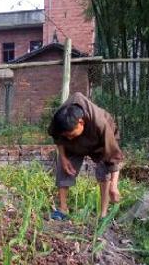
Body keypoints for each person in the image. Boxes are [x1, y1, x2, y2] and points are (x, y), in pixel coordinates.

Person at [47, 92, 124, 220]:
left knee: (104, 173)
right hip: (75, 146)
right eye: (66, 135)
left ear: (81, 122)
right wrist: (63, 158)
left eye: (71, 134)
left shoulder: (101, 124)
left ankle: (103, 214)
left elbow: (114, 157)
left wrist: (114, 186)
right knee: (64, 168)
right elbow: (57, 137)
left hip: (100, 142)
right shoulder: (59, 119)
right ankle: (63, 209)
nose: (68, 137)